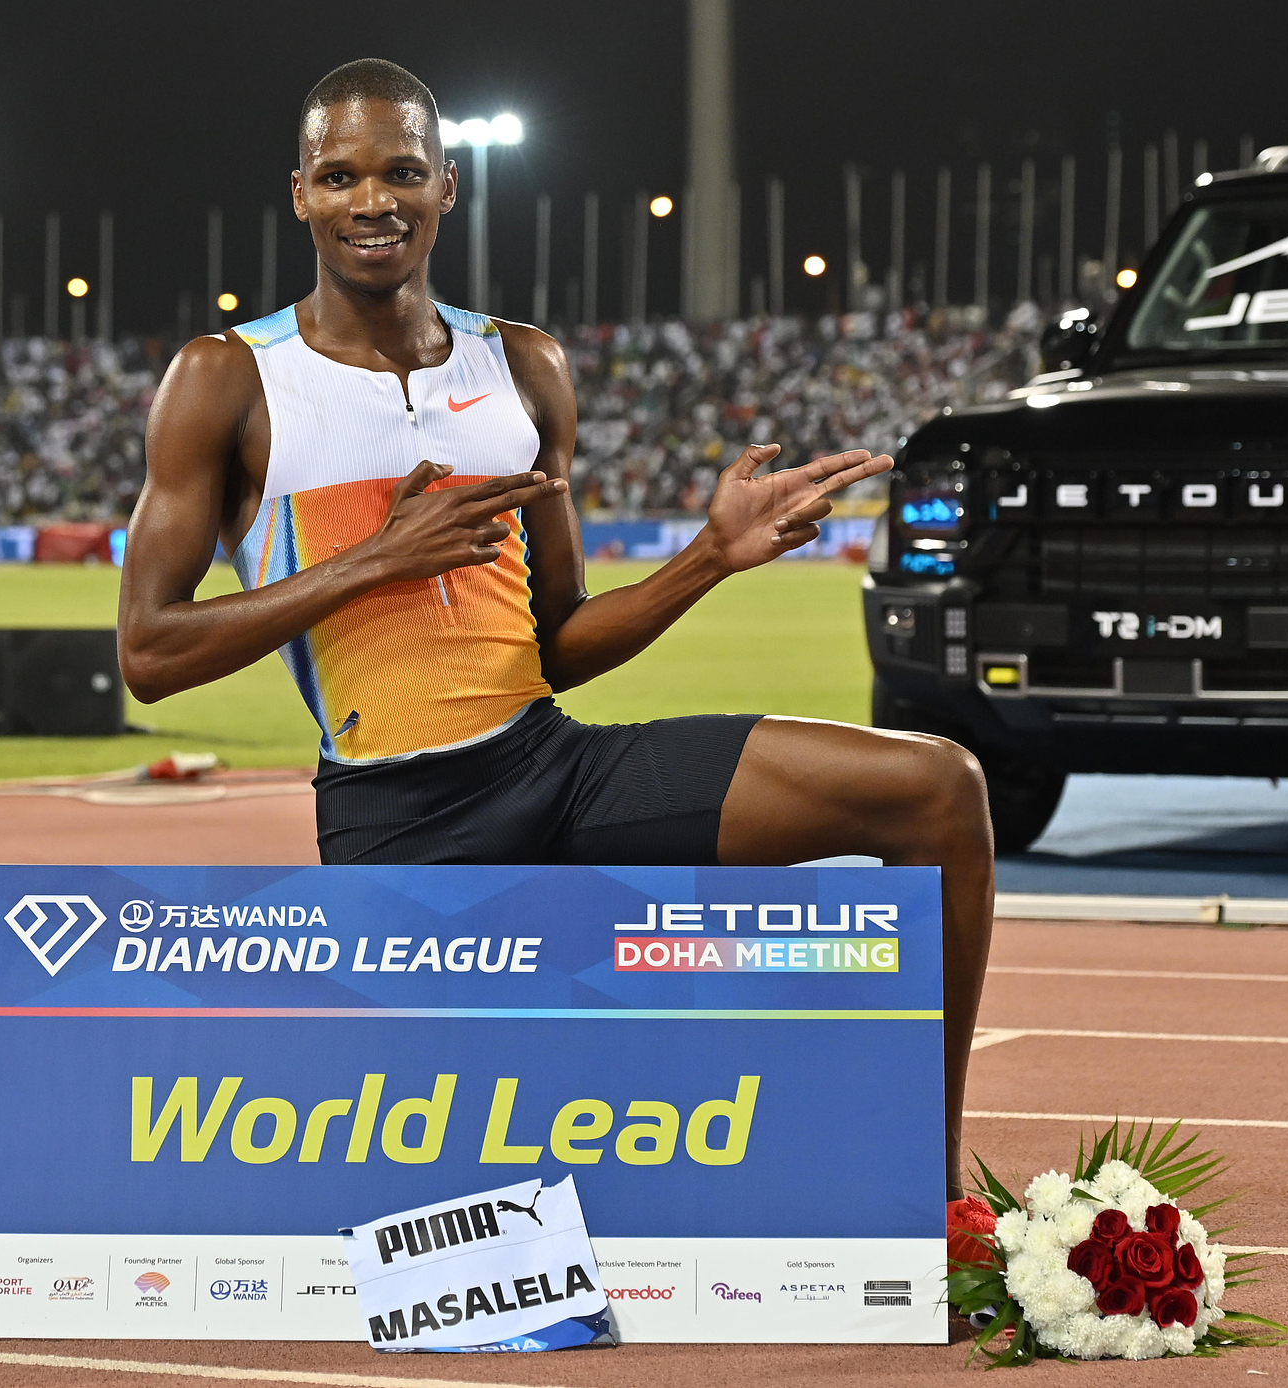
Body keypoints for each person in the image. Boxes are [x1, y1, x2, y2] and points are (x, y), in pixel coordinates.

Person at [118, 58, 993, 1192]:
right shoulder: (227, 378)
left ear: (447, 185)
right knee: (453, 1191)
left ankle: (927, 1191)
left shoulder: (521, 366)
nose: (369, 200)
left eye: (399, 172)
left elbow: (560, 640)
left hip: (552, 767)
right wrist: (372, 560)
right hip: (396, 820)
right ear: (300, 194)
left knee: (939, 787)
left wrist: (706, 560)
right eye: (339, 175)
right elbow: (149, 653)